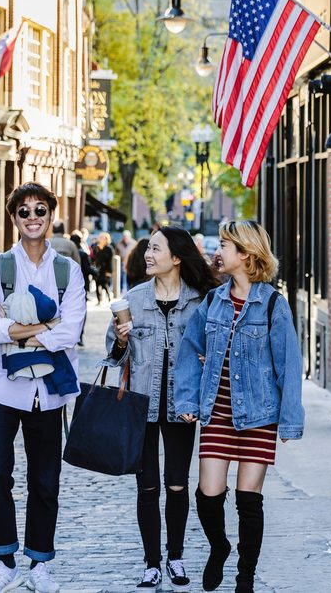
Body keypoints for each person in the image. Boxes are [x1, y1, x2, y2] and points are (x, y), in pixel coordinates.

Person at [174, 220, 305, 593]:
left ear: (246, 255)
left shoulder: (273, 305)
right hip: (217, 413)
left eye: (226, 245)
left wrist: (289, 421)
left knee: (249, 500)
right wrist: (187, 399)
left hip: (259, 416)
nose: (219, 251)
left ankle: (245, 577)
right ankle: (219, 546)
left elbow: (289, 364)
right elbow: (189, 350)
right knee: (208, 493)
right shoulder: (213, 301)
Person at [0, 183, 86, 593]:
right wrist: (45, 329)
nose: (32, 217)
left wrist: (19, 332)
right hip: (2, 390)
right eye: (24, 211)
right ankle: (4, 560)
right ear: (14, 218)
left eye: (40, 209)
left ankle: (39, 563)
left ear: (51, 215)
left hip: (48, 393)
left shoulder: (67, 270)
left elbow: (71, 330)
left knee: (45, 480)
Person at [104, 226, 218, 591]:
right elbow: (113, 356)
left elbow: (213, 354)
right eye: (148, 248)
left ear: (177, 257)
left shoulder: (202, 301)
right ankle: (152, 562)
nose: (147, 255)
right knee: (148, 487)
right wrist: (121, 342)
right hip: (141, 406)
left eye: (155, 248)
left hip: (182, 406)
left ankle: (177, 556)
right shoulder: (133, 301)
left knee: (177, 484)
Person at [93, 232, 114, 304]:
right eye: (101, 238)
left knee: (104, 285)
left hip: (105, 270)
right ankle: (99, 300)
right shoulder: (97, 247)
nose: (102, 239)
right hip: (98, 269)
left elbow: (110, 261)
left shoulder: (109, 249)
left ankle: (109, 297)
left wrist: (109, 272)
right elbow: (94, 258)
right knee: (97, 285)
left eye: (104, 238)